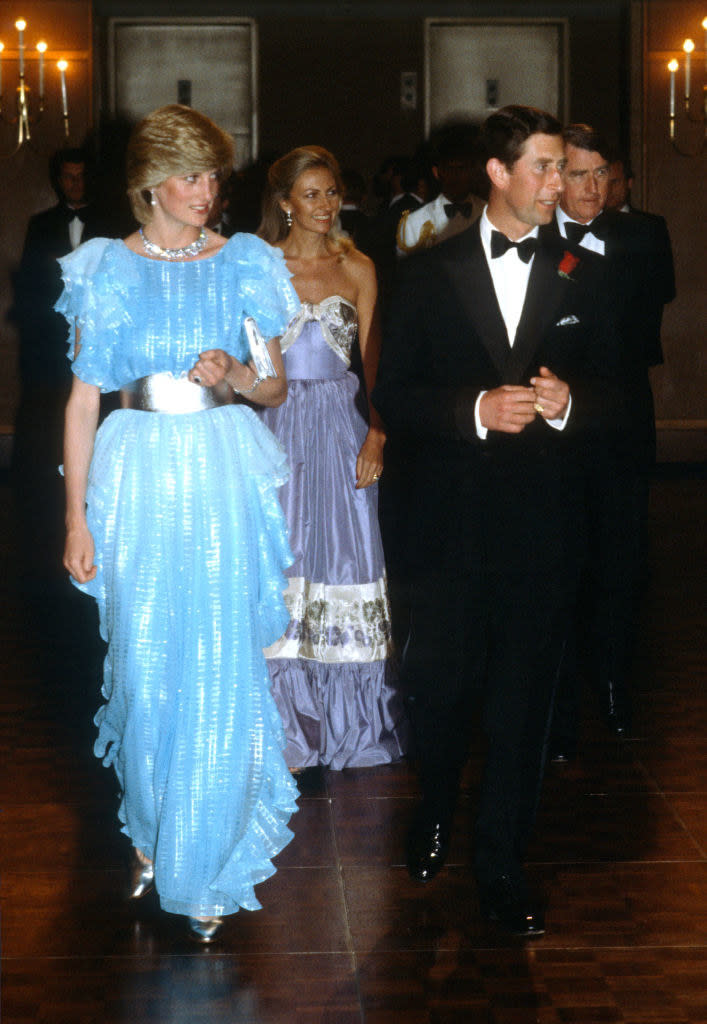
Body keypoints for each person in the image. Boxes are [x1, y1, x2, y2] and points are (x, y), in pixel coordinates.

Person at [373, 105, 617, 938]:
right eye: (546, 168)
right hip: (442, 530)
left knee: (522, 706)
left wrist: (570, 403)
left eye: (565, 169)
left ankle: (501, 864)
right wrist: (473, 408)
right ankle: (435, 802)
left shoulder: (590, 269)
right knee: (438, 695)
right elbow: (390, 398)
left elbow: (621, 395)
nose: (563, 185)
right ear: (498, 173)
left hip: (543, 529)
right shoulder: (425, 273)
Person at [58, 105, 299, 944]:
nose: (206, 193)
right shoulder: (103, 268)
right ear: (149, 184)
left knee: (220, 662)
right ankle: (155, 834)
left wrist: (237, 371)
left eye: (213, 177)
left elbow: (274, 385)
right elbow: (85, 398)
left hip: (221, 470)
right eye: (190, 177)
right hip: (137, 477)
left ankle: (203, 863)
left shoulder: (245, 261)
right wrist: (75, 520)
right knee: (144, 662)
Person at [257, 145, 407, 771]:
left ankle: (353, 725)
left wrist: (377, 433)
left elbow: (376, 366)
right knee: (286, 561)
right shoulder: (260, 268)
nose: (324, 205)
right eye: (310, 194)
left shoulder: (360, 266)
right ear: (284, 202)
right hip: (280, 426)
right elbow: (256, 371)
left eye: (331, 192)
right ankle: (288, 726)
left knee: (349, 561)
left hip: (346, 426)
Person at [548, 124, 675, 756]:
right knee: (559, 565)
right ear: (554, 177)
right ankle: (560, 704)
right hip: (554, 427)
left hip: (622, 420)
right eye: (577, 174)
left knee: (623, 565)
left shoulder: (644, 235)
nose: (592, 188)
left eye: (602, 174)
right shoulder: (534, 240)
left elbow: (638, 329)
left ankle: (615, 686)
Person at [396, 125, 486, 256]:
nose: (456, 176)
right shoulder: (414, 222)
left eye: (462, 169)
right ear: (437, 172)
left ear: (472, 172)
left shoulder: (488, 213)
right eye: (450, 169)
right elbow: (408, 273)